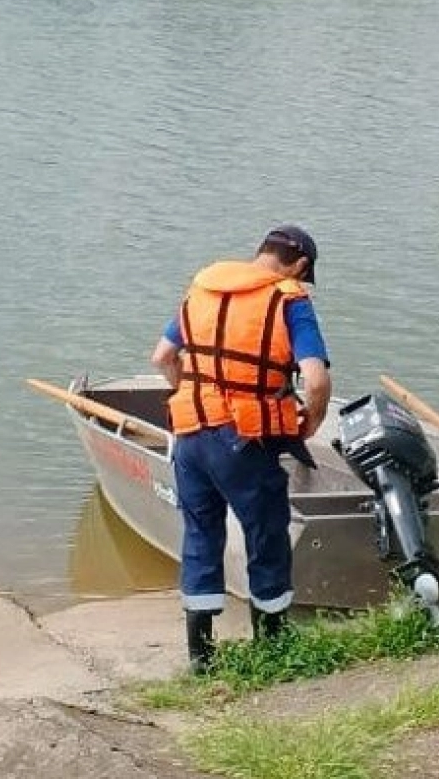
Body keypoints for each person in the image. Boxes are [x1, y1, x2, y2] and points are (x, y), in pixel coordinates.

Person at [150, 224, 332, 674]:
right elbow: (315, 380)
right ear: (300, 265)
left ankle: (201, 658)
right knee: (266, 535)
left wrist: (192, 393)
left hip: (190, 434)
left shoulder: (203, 289)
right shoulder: (289, 299)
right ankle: (272, 646)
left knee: (200, 534)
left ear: (261, 252)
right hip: (243, 440)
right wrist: (312, 421)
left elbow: (162, 358)